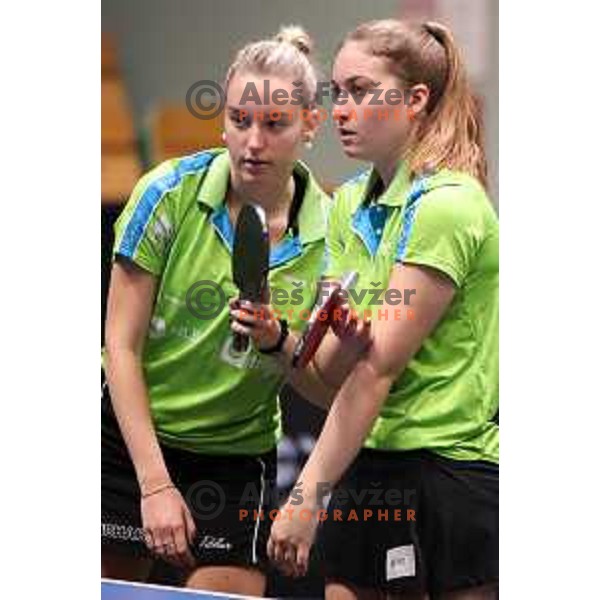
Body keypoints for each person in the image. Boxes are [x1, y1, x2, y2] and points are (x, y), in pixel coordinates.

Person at [101, 25, 369, 596]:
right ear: (222, 119)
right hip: (130, 440)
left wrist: (280, 342)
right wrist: (153, 486)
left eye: (275, 125)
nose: (253, 141)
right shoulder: (166, 193)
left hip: (236, 453)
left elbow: (322, 391)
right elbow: (119, 347)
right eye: (240, 120)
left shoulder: (334, 234)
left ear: (309, 125)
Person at [266, 20, 499, 599]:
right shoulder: (347, 203)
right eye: (336, 92)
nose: (341, 109)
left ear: (416, 100)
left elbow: (377, 371)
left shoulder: (448, 206)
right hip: (368, 461)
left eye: (361, 91)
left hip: (450, 472)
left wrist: (306, 494)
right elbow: (324, 381)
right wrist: (281, 342)